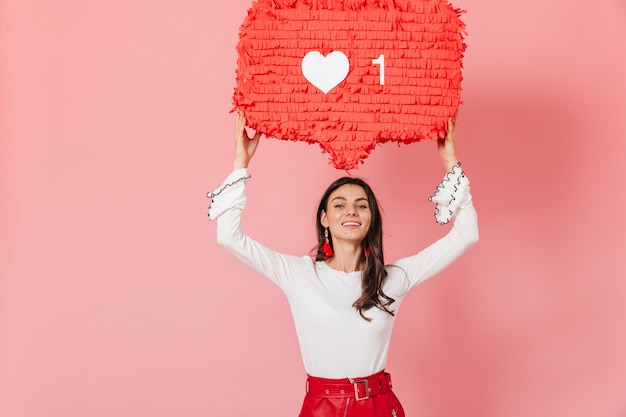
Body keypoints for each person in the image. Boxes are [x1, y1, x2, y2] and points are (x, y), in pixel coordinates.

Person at [207, 112, 479, 417]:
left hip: (379, 406)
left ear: (371, 218)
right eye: (339, 205)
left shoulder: (394, 278)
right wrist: (240, 163)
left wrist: (450, 162)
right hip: (322, 409)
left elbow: (466, 235)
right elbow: (229, 238)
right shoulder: (299, 274)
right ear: (325, 218)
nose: (351, 211)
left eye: (361, 205)